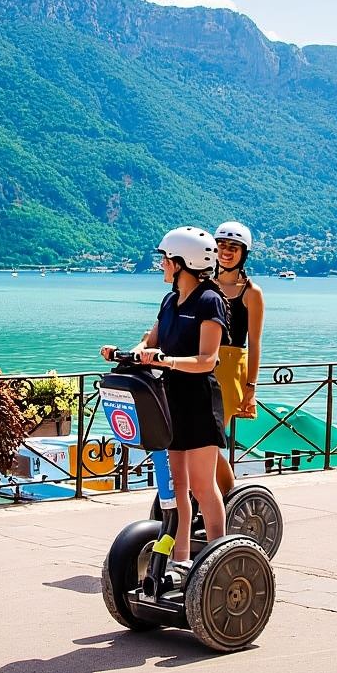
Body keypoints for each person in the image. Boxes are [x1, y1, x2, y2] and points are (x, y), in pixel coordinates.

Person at [101, 226, 228, 565]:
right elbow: (151, 340)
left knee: (203, 487)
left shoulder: (209, 301)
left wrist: (166, 360)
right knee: (176, 490)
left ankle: (219, 560)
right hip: (169, 400)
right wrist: (126, 352)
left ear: (182, 262)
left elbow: (207, 360)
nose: (162, 265)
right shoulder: (171, 300)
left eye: (165, 260)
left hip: (199, 402)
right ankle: (181, 561)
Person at [212, 220, 266, 495]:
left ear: (243, 252)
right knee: (197, 441)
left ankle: (228, 496)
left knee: (209, 442)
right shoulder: (204, 284)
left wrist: (251, 387)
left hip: (231, 369)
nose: (226, 252)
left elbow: (254, 343)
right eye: (221, 245)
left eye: (233, 247)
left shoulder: (252, 293)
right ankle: (212, 495)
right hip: (200, 364)